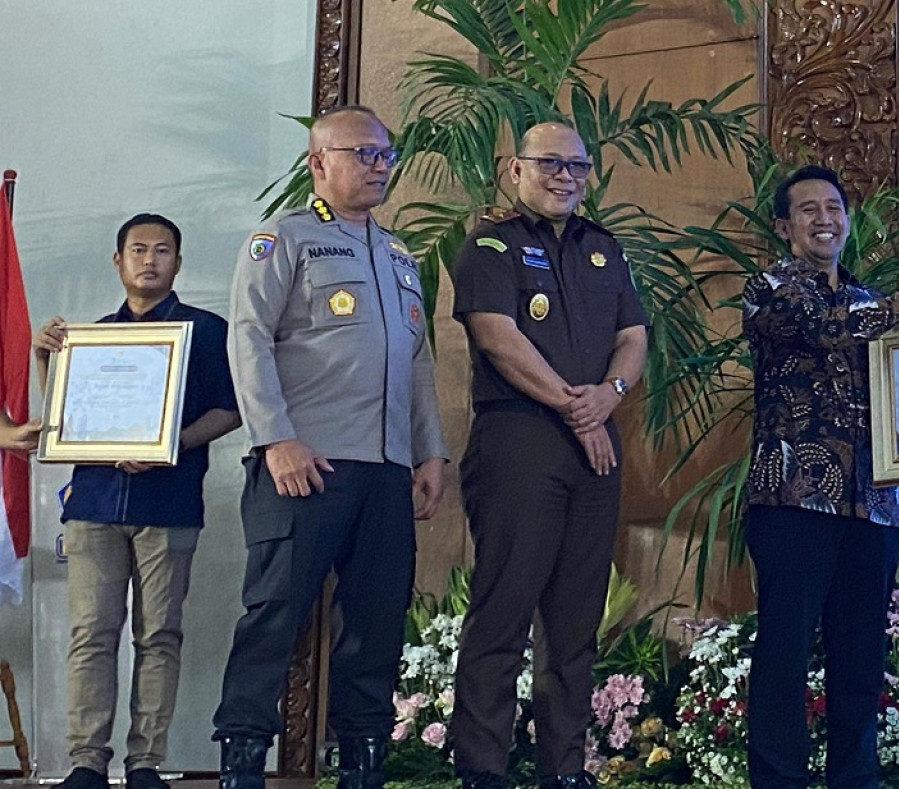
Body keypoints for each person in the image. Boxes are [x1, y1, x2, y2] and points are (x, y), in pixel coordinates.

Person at [212, 105, 449, 789]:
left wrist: (428, 451)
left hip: (385, 470)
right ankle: (242, 762)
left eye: (386, 155)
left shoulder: (400, 254)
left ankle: (362, 762)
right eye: (363, 153)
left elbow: (418, 359)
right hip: (303, 463)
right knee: (275, 615)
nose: (378, 166)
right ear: (320, 163)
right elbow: (247, 338)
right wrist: (276, 438)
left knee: (375, 622)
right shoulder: (282, 239)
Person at [741, 165, 899, 789]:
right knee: (785, 651)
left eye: (834, 206)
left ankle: (854, 780)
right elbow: (823, 328)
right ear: (785, 228)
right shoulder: (770, 289)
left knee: (860, 658)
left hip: (874, 505)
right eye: (807, 210)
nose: (824, 218)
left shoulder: (870, 300)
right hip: (792, 500)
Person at [448, 121, 648, 789]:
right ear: (515, 171)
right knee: (505, 605)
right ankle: (483, 765)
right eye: (551, 164)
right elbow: (498, 338)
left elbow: (634, 338)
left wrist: (608, 396)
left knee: (576, 613)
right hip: (520, 438)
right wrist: (576, 406)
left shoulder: (603, 247)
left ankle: (564, 767)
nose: (566, 176)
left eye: (578, 167)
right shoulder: (491, 245)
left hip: (595, 442)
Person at [30, 213, 241, 789]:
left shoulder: (207, 331)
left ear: (178, 262)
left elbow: (231, 409)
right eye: (138, 250)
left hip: (168, 502)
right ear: (118, 261)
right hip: (94, 503)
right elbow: (68, 417)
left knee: (159, 635)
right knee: (91, 635)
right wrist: (47, 359)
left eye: (163, 250)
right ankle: (86, 762)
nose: (150, 260)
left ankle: (146, 761)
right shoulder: (92, 336)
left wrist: (171, 442)